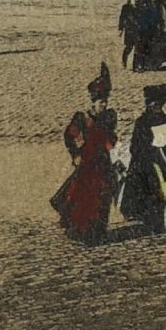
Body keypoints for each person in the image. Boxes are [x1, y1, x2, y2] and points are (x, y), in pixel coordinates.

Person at [51, 63, 119, 245]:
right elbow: (69, 136)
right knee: (85, 198)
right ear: (93, 102)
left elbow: (111, 139)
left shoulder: (109, 117)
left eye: (105, 102)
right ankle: (82, 232)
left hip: (103, 161)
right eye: (100, 103)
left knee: (103, 196)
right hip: (87, 162)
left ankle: (99, 232)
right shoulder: (82, 119)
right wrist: (75, 154)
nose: (103, 105)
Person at [119, 83, 166, 235]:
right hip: (142, 160)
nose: (157, 108)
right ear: (149, 105)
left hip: (158, 159)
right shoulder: (142, 122)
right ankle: (142, 215)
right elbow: (134, 145)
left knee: (160, 187)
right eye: (154, 105)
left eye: (159, 105)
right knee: (143, 188)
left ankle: (157, 216)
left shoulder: (165, 119)